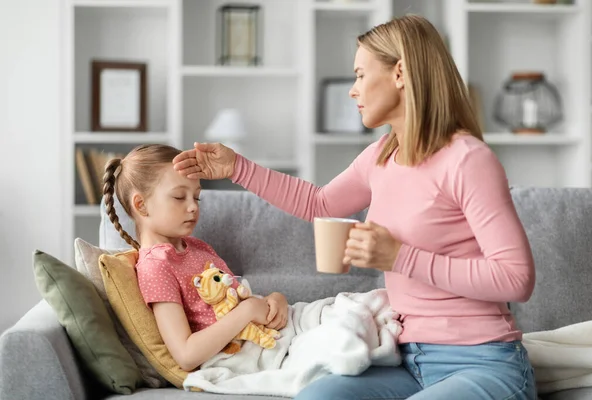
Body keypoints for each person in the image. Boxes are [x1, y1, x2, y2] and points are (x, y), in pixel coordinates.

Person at [173, 14, 537, 400]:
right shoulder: (382, 154)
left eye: (361, 74)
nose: (353, 89)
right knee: (318, 397)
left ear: (400, 73)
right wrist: (237, 167)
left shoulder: (467, 159)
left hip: (482, 362)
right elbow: (321, 202)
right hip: (408, 360)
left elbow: (516, 278)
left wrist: (400, 257)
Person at [102, 143, 289, 372]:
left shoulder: (198, 248)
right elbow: (186, 355)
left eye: (197, 197)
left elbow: (234, 299)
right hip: (247, 350)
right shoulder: (156, 267)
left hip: (270, 332)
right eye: (179, 197)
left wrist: (276, 299)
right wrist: (248, 310)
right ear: (141, 205)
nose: (193, 207)